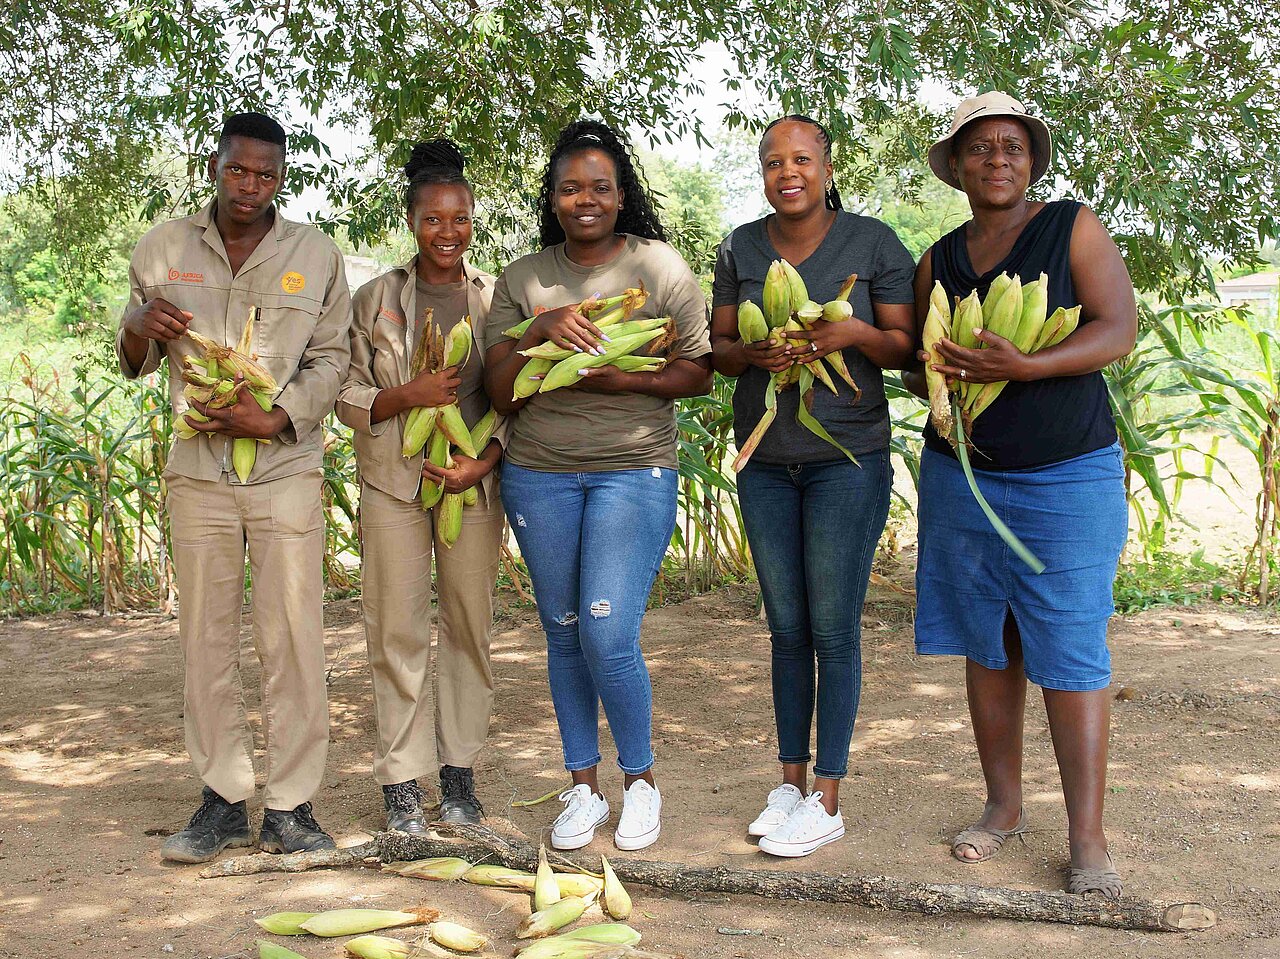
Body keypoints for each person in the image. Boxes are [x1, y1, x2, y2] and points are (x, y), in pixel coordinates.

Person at [906, 92, 1137, 897]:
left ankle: (1088, 838)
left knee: (1071, 648)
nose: (997, 159)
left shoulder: (1071, 227)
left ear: (1030, 160)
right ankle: (1003, 807)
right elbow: (919, 361)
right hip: (962, 475)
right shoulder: (937, 257)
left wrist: (1027, 366)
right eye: (980, 148)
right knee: (987, 641)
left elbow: (1117, 328)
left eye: (1012, 147)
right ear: (958, 166)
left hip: (1066, 475)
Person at [117, 112, 351, 862]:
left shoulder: (315, 255)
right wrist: (138, 322)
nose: (251, 186)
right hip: (199, 471)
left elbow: (332, 358)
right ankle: (221, 799)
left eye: (267, 174)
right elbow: (136, 357)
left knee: (292, 636)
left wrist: (273, 415)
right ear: (213, 167)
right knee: (206, 639)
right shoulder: (163, 247)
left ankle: (291, 806)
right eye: (238, 170)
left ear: (282, 178)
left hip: (283, 465)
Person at [484, 120, 712, 852]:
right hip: (539, 474)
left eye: (600, 187)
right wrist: (538, 329)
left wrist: (618, 376)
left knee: (609, 630)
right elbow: (499, 392)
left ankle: (639, 781)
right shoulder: (524, 279)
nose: (586, 198)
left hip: (632, 468)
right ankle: (582, 787)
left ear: (622, 197)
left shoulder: (661, 268)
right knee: (564, 632)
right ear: (552, 198)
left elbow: (698, 371)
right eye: (570, 187)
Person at [710, 116, 916, 858]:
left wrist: (850, 335)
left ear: (828, 167)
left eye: (801, 159)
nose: (786, 171)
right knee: (787, 628)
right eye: (772, 161)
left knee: (833, 627)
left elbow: (905, 346)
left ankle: (829, 795)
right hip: (766, 461)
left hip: (846, 461)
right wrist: (753, 350)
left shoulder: (873, 243)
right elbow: (722, 353)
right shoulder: (739, 245)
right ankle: (791, 784)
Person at [336, 139, 504, 832]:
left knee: (468, 626)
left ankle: (459, 777)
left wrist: (481, 461)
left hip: (468, 484)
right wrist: (405, 394)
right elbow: (345, 391)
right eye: (433, 219)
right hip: (394, 483)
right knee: (396, 632)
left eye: (459, 218)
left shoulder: (497, 299)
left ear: (472, 221)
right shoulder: (376, 297)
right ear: (411, 221)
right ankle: (402, 784)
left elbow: (518, 394)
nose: (447, 232)